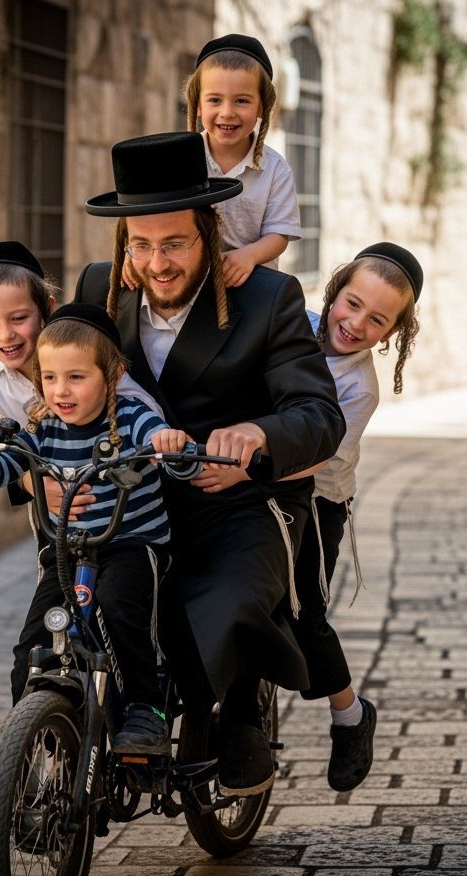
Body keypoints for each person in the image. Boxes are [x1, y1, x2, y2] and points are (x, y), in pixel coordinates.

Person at [76, 131, 346, 795]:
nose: (157, 262)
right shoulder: (98, 291)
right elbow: (50, 391)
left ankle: (240, 709)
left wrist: (256, 433)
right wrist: (39, 476)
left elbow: (318, 414)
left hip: (236, 499)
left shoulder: (268, 299)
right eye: (141, 244)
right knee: (68, 611)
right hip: (133, 499)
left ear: (209, 230)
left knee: (230, 603)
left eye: (175, 243)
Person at [0, 302, 191, 755]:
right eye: (49, 378)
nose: (61, 391)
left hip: (130, 545)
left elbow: (174, 462)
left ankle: (148, 709)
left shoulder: (130, 417)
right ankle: (29, 740)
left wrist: (170, 444)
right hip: (68, 553)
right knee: (30, 647)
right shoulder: (42, 427)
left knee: (121, 607)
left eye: (76, 377)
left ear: (111, 375)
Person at [290, 242, 422, 791]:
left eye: (376, 320)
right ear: (335, 291)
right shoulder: (292, 325)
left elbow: (318, 458)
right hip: (253, 479)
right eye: (351, 303)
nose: (355, 323)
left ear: (391, 332)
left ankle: (350, 714)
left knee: (302, 611)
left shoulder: (358, 387)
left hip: (315, 499)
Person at [0, 241, 161, 447]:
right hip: (45, 490)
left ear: (48, 308)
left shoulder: (79, 351)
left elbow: (147, 408)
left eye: (18, 319)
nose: (6, 335)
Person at [119, 34, 299, 292]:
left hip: (253, 285)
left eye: (242, 100)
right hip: (190, 284)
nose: (227, 112)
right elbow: (153, 218)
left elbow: (279, 234)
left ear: (262, 106)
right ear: (198, 105)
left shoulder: (276, 169)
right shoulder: (177, 159)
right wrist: (136, 252)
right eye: (215, 100)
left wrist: (248, 256)